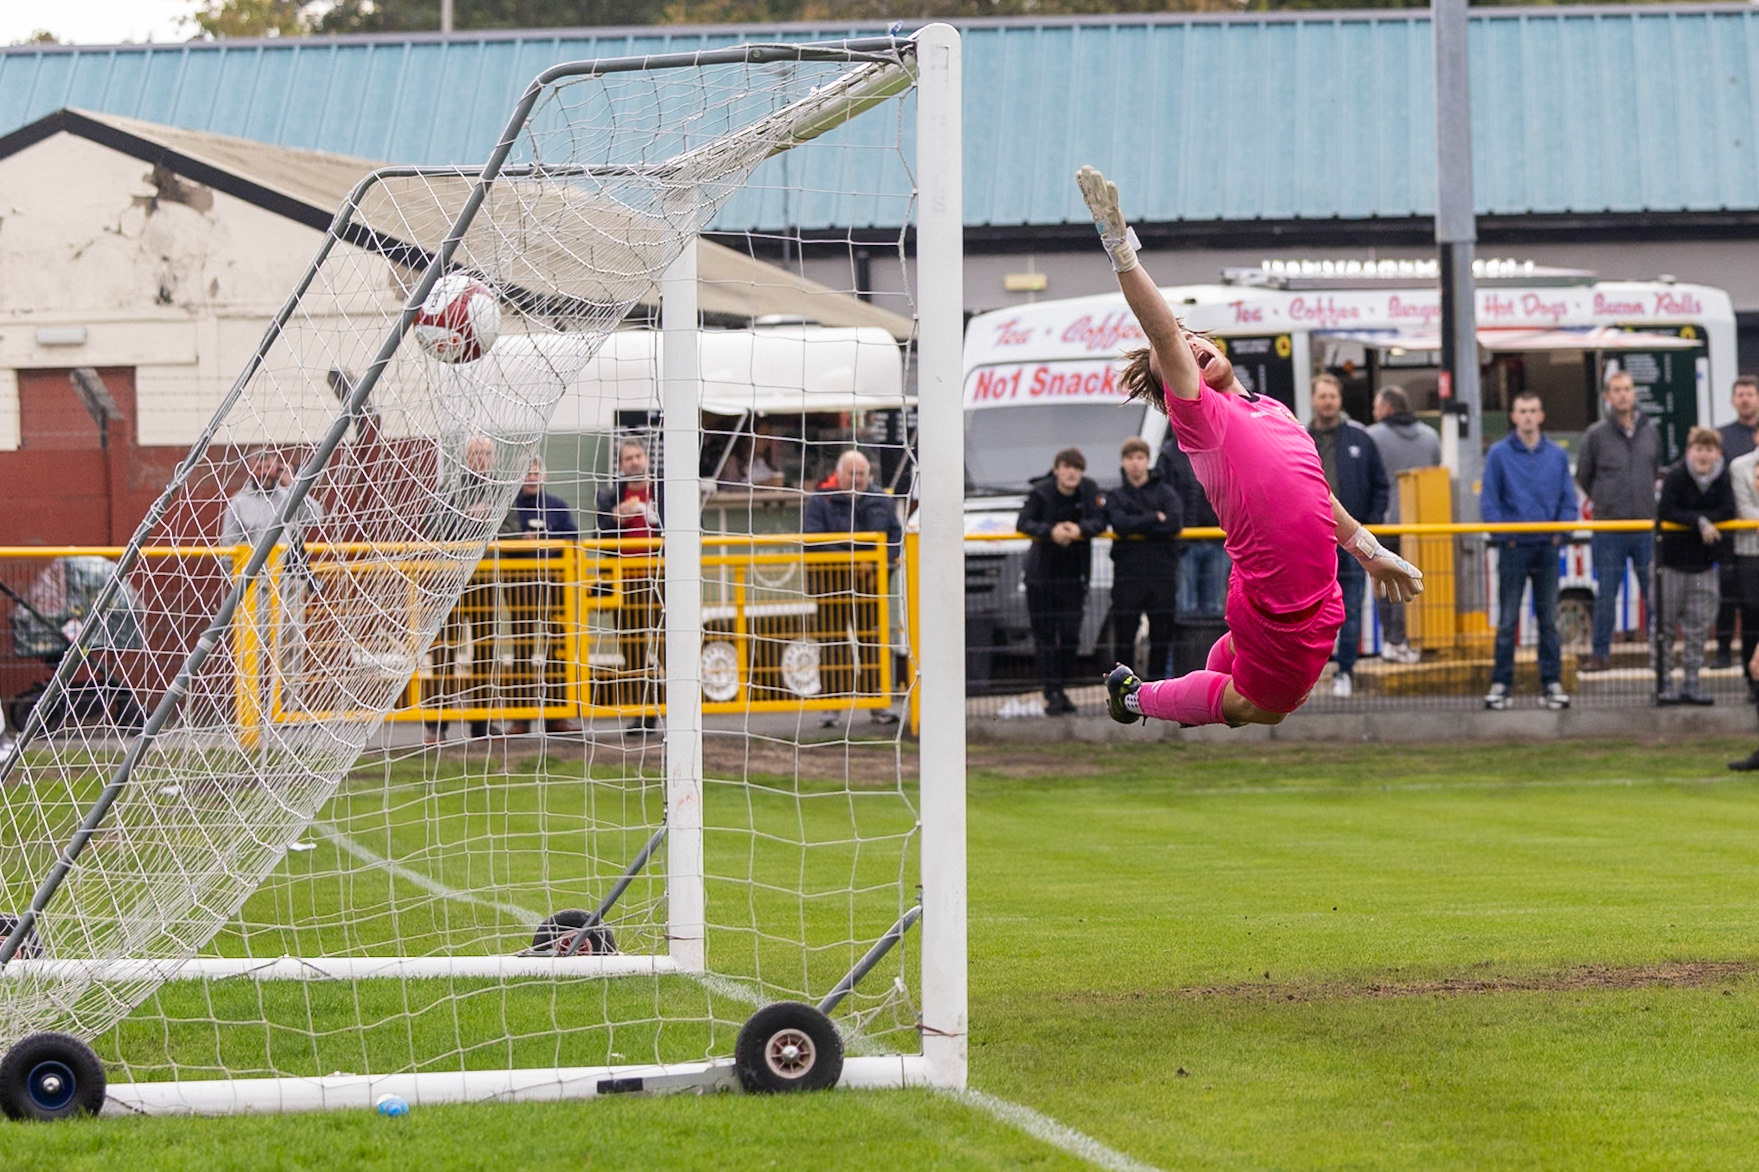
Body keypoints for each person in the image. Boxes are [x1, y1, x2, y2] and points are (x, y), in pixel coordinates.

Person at [1071, 166, 1422, 731]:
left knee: (1241, 695)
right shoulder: (1204, 420)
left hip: (1316, 594)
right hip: (1281, 608)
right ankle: (1135, 697)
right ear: (1177, 388)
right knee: (1259, 710)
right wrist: (1122, 249)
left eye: (1193, 338)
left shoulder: (1274, 410)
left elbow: (1315, 495)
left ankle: (1202, 688)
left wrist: (1368, 548)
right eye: (1177, 354)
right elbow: (1161, 332)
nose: (1186, 344)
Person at [1480, 393, 1577, 711]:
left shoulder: (1556, 455)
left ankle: (1551, 683)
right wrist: (1504, 535)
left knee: (1549, 619)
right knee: (1507, 620)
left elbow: (1568, 498)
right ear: (1513, 415)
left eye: (1533, 411)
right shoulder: (1498, 453)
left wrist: (1560, 533)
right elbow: (1490, 501)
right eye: (1522, 411)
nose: (1528, 417)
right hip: (1513, 548)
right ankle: (1501, 684)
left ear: (1542, 415)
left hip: (1547, 547)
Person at [423, 435, 519, 744]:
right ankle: (437, 724)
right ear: (466, 458)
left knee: (486, 650)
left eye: (486, 453)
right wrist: (465, 519)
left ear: (494, 458)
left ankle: (482, 723)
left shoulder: (502, 492)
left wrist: (489, 522)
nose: (481, 458)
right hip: (450, 579)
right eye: (475, 453)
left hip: (485, 578)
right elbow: (433, 527)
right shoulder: (450, 489)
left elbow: (513, 532)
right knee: (444, 650)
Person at [802, 450, 904, 726]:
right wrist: (855, 561)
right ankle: (832, 707)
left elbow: (896, 535)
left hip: (871, 584)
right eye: (852, 473)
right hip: (831, 584)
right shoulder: (821, 500)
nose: (857, 479)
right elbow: (812, 539)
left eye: (861, 474)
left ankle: (878, 703)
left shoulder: (880, 499)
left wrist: (877, 563)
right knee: (833, 643)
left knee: (873, 641)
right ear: (839, 474)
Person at [221, 446, 324, 712]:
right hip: (257, 587)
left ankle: (289, 709)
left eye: (271, 464)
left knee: (292, 644)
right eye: (260, 464)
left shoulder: (289, 497)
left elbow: (316, 517)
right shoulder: (239, 503)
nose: (266, 470)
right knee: (253, 648)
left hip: (289, 584)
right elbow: (228, 547)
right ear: (250, 467)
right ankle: (251, 710)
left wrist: (293, 486)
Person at [1307, 373, 1390, 697]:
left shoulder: (1360, 437)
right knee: (1311, 612)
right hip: (1313, 543)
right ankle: (1312, 674)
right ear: (1314, 399)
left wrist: (1367, 527)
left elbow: (1381, 485)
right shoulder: (1299, 435)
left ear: (1339, 399)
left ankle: (1345, 671)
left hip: (1352, 543)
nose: (1328, 401)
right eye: (1322, 395)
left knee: (1351, 608)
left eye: (1332, 396)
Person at [1575, 370, 1660, 673]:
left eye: (1627, 389)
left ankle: (1659, 654)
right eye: (1616, 390)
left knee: (1654, 594)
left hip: (1645, 528)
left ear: (1634, 393)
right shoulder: (1596, 435)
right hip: (1609, 528)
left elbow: (1654, 469)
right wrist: (1607, 500)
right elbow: (1584, 476)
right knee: (1607, 593)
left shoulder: (1650, 430)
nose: (1623, 394)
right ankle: (1600, 654)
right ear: (1607, 396)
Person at [1016, 446, 1106, 716]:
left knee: (1070, 636)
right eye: (1067, 467)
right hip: (1041, 578)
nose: (1072, 473)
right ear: (1057, 470)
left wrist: (1079, 529)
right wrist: (1051, 532)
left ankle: (1061, 686)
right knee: (1045, 638)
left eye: (1077, 468)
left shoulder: (1089, 490)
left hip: (1074, 577)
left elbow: (1101, 521)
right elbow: (1023, 523)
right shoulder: (1041, 491)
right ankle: (1051, 691)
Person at [1653, 427, 1735, 706]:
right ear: (1689, 451)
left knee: (1698, 628)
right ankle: (1662, 683)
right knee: (1664, 626)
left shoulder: (1722, 478)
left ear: (1717, 453)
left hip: (1703, 568)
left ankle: (1692, 681)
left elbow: (1728, 510)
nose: (1703, 455)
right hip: (1672, 567)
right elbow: (1666, 510)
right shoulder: (1676, 476)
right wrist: (1699, 522)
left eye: (1709, 450)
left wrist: (1704, 520)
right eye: (1699, 449)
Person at [1365, 386, 1441, 666]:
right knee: (1415, 583)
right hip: (1422, 526)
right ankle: (1413, 640)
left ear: (1386, 408)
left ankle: (1391, 641)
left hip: (1386, 524)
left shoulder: (1373, 436)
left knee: (1385, 582)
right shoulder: (1431, 437)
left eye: (1376, 406)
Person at [505, 456, 579, 736]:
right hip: (520, 585)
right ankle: (520, 717)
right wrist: (520, 541)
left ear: (543, 476)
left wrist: (549, 542)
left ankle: (556, 714)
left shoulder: (557, 506)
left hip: (554, 584)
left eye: (536, 472)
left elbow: (574, 538)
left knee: (556, 647)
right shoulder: (510, 508)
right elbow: (501, 539)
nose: (531, 477)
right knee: (522, 648)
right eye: (526, 473)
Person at [596, 437, 664, 733]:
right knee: (633, 648)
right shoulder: (611, 498)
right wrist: (615, 517)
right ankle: (643, 712)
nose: (634, 462)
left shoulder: (664, 492)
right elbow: (599, 532)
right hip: (627, 580)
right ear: (621, 465)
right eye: (628, 458)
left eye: (638, 456)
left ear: (646, 459)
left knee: (667, 645)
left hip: (663, 578)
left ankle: (678, 709)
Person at [1105, 437, 1182, 680]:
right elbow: (1119, 523)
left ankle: (1158, 686)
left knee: (1161, 634)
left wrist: (1137, 523)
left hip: (1162, 574)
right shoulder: (1116, 495)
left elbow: (1174, 523)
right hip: (1128, 576)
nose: (1135, 463)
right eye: (1130, 458)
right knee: (1125, 635)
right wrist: (1153, 518)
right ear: (1123, 462)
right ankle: (1123, 687)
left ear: (1147, 460)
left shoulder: (1166, 492)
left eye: (1139, 457)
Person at [1156, 430, 1226, 619]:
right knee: (1186, 608)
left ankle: (1211, 649)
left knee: (1214, 609)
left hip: (1217, 542)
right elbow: (1164, 496)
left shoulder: (1218, 448)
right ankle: (1188, 650)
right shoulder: (1169, 455)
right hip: (1185, 544)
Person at [1714, 375, 1759, 667]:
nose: (1745, 399)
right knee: (1730, 598)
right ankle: (1722, 652)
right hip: (1733, 534)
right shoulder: (1722, 436)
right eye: (1740, 394)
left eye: (1750, 394)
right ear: (1733, 400)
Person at [1727, 444, 1759, 700]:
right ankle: (1753, 680)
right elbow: (1745, 510)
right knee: (1751, 615)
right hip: (1749, 552)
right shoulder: (1740, 466)